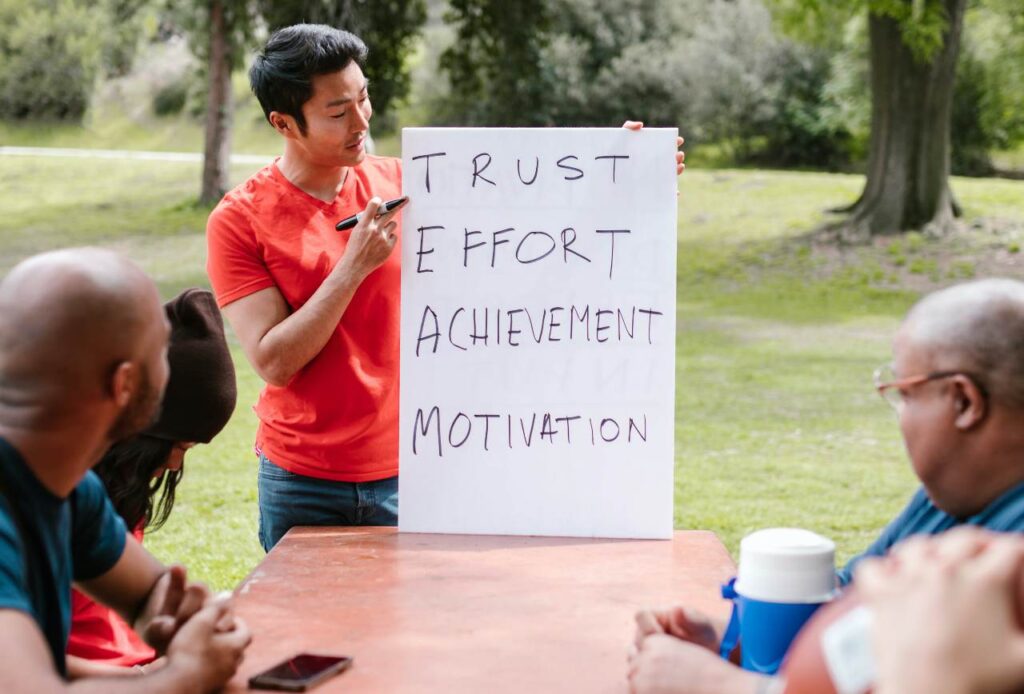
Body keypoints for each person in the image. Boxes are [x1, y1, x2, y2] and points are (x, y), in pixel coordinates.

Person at [206, 23, 687, 551]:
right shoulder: (239, 220)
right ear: (284, 123)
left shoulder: (415, 183)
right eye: (338, 112)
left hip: (419, 468)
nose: (362, 121)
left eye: (364, 98)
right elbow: (274, 361)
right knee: (302, 631)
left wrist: (625, 170)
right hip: (304, 479)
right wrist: (352, 267)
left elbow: (535, 230)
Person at [628, 278, 1024, 694]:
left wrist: (719, 687)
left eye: (905, 395)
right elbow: (841, 617)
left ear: (964, 402)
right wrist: (739, 639)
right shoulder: (948, 500)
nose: (900, 417)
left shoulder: (1008, 563)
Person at [0, 248, 251, 692]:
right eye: (161, 353)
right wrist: (181, 676)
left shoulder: (66, 483)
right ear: (125, 384)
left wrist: (182, 622)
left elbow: (150, 592)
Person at [65, 288, 237, 678]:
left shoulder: (91, 491)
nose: (175, 464)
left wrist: (192, 621)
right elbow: (20, 670)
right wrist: (160, 678)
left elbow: (146, 592)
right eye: (175, 445)